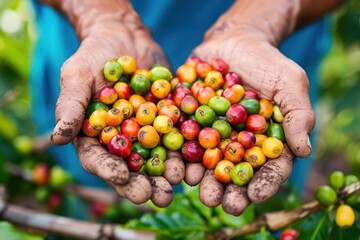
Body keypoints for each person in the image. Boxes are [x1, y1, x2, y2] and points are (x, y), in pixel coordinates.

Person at [30, 0, 344, 216]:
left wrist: (263, 21)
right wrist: (100, 16)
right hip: (91, 41)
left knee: (258, 213)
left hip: (264, 52)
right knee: (85, 199)